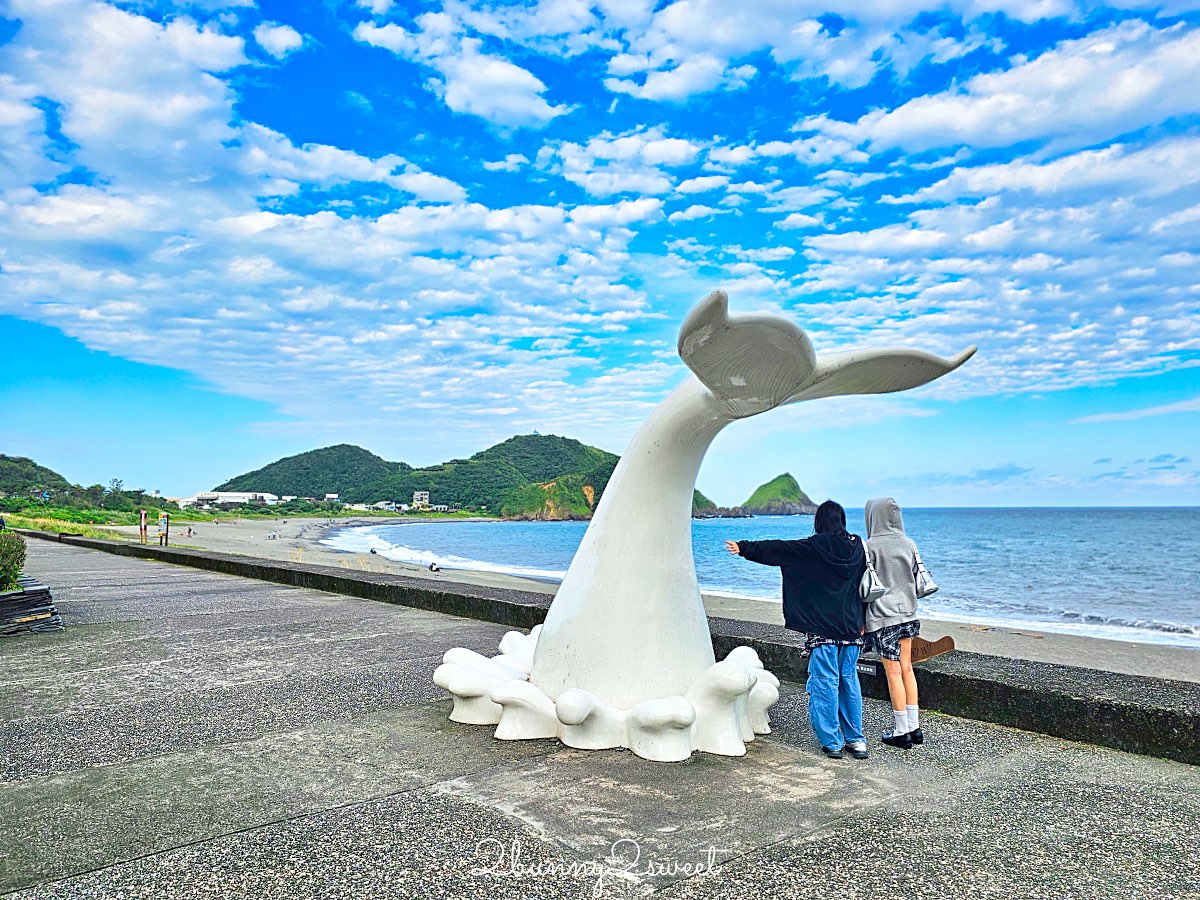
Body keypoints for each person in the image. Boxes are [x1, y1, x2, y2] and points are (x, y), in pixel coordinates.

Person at [725, 500, 869, 760]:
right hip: (851, 630)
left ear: (820, 522)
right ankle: (857, 741)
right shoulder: (857, 546)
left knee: (824, 684)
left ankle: (832, 742)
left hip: (823, 631)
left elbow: (781, 549)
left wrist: (745, 548)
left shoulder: (813, 546)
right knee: (849, 683)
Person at [863, 497, 924, 750]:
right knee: (907, 669)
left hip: (884, 617)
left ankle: (901, 731)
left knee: (893, 672)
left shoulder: (870, 546)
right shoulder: (908, 543)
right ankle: (914, 726)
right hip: (909, 614)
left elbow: (865, 586)